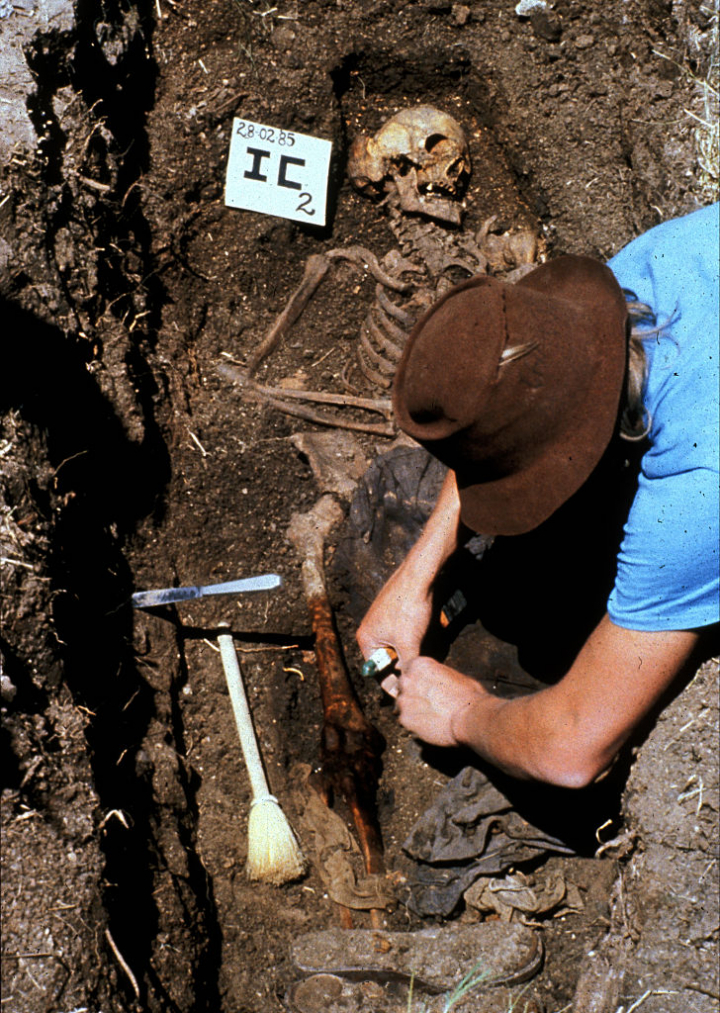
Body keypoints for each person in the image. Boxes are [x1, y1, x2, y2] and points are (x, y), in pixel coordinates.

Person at [356, 203, 719, 788]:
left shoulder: (694, 496)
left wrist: (461, 713)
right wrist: (416, 576)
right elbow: (530, 399)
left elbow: (572, 750)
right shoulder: (648, 270)